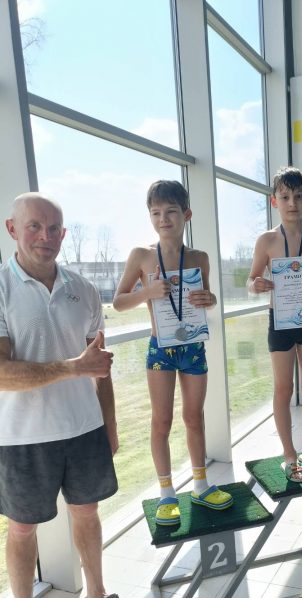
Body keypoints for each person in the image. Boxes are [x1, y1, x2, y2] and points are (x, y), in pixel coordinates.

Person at [0, 193, 137, 598]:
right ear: (12, 229)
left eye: (55, 228)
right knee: (21, 531)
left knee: (87, 513)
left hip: (84, 430)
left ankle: (95, 597)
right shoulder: (1, 287)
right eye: (35, 226)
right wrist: (72, 369)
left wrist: (109, 424)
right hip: (22, 438)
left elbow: (99, 367)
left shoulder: (82, 289)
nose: (47, 237)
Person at [113, 180, 233, 525]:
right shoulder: (141, 256)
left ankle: (201, 485)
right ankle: (166, 493)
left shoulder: (199, 258)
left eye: (171, 212)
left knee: (194, 417)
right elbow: (119, 302)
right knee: (161, 421)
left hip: (192, 347)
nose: (163, 219)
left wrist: (210, 299)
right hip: (160, 350)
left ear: (187, 215)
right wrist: (147, 293)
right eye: (156, 213)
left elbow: (205, 299)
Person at [248, 167, 302, 482]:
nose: (292, 203)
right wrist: (257, 285)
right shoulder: (267, 241)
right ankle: (288, 454)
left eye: (298, 196)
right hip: (280, 321)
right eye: (285, 197)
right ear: (274, 201)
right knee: (283, 388)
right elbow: (251, 280)